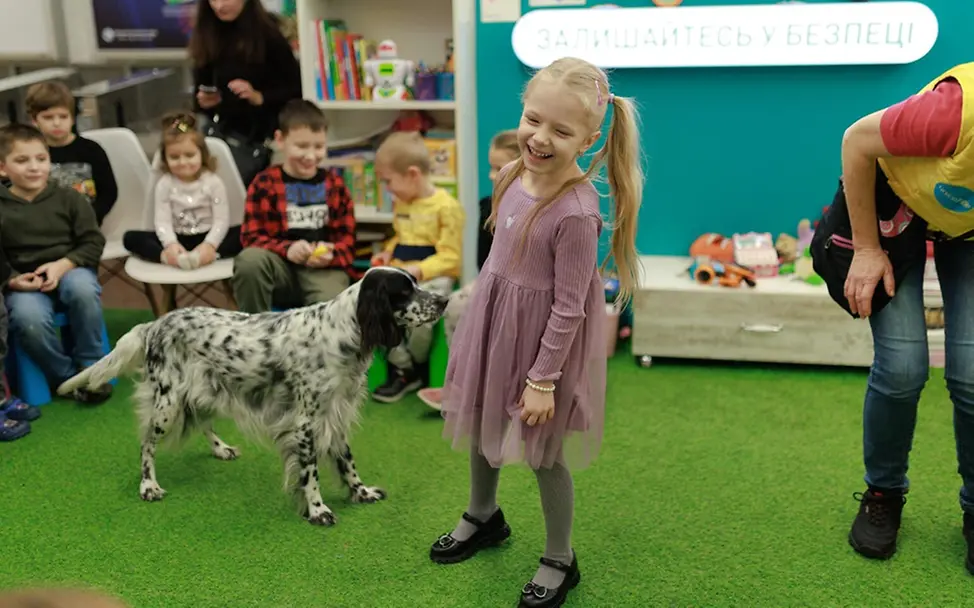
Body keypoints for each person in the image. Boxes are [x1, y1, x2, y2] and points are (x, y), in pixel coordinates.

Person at [428, 57, 642, 608]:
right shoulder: (508, 176)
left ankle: (560, 557)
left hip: (545, 347)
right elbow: (500, 260)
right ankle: (484, 514)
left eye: (561, 130)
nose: (540, 138)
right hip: (495, 324)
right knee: (479, 422)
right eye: (533, 119)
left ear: (590, 139)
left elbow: (570, 307)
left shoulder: (576, 211)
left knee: (545, 454)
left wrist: (542, 380)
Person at [833, 61, 974, 570]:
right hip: (900, 206)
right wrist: (868, 249)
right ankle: (883, 493)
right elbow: (856, 140)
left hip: (968, 228)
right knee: (903, 367)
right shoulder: (954, 114)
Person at [0, 124, 110, 404]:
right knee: (28, 320)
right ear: (3, 168)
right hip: (23, 283)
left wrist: (65, 264)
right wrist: (12, 279)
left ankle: (92, 367)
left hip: (70, 269)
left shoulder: (70, 197)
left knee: (84, 290)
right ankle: (66, 377)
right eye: (22, 160)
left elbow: (93, 242)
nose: (34, 167)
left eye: (41, 159)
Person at [418, 128, 520, 410]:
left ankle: (503, 387)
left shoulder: (535, 208)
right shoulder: (488, 206)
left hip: (525, 287)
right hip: (492, 279)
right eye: (491, 167)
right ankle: (460, 385)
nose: (491, 174)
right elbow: (482, 259)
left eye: (499, 168)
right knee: (457, 306)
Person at [231, 100, 356, 313]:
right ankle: (254, 333)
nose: (310, 156)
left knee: (331, 314)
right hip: (280, 270)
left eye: (318, 147)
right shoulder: (264, 183)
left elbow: (348, 242)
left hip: (323, 272)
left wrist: (332, 254)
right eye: (301, 146)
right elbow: (251, 238)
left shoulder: (335, 185)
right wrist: (287, 250)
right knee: (249, 261)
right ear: (280, 140)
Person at [369, 131, 465, 403]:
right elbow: (400, 236)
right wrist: (388, 252)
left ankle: (416, 366)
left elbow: (451, 257)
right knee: (373, 309)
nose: (387, 189)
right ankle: (404, 368)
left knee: (422, 314)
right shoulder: (402, 202)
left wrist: (419, 270)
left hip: (432, 275)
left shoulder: (447, 207)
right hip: (400, 273)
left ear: (412, 174)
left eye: (388, 182)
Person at [189, 0, 302, 186]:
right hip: (220, 133)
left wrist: (259, 97)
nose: (219, 6)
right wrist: (208, 101)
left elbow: (295, 89)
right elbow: (201, 89)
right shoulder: (206, 31)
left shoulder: (269, 34)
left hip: (261, 138)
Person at [122, 112, 242, 269]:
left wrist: (210, 244)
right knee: (130, 238)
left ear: (202, 154)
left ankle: (208, 256)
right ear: (165, 159)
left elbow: (221, 220)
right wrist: (170, 244)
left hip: (208, 236)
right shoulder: (164, 184)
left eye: (190, 155)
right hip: (178, 238)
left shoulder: (213, 182)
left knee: (245, 233)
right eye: (174, 157)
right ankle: (169, 258)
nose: (183, 162)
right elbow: (162, 221)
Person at [25, 81, 118, 226]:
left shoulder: (92, 150)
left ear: (72, 118)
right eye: (48, 117)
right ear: (34, 120)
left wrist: (90, 218)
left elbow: (109, 192)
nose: (56, 123)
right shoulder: (28, 153)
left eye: (63, 116)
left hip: (85, 226)